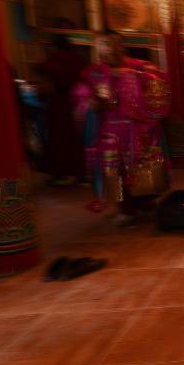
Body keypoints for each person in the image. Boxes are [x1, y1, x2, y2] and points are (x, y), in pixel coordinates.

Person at [73, 31, 171, 225]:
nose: (105, 51)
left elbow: (160, 88)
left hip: (139, 128)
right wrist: (90, 102)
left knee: (145, 166)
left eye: (110, 45)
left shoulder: (142, 68)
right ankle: (125, 209)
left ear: (121, 47)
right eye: (101, 46)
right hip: (109, 131)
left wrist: (131, 79)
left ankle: (145, 203)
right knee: (113, 170)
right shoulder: (93, 72)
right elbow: (81, 94)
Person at [36, 35, 88, 184]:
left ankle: (59, 172)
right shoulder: (78, 60)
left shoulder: (53, 59)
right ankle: (77, 172)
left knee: (58, 139)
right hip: (77, 103)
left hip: (58, 103)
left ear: (55, 46)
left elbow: (41, 70)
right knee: (75, 138)